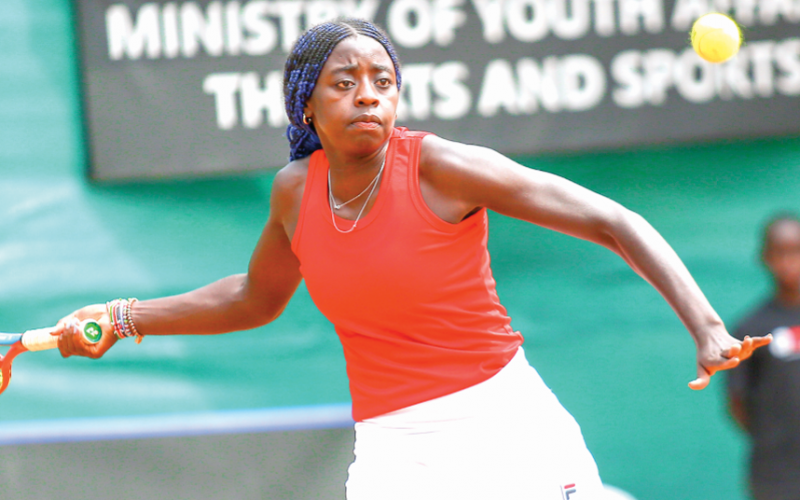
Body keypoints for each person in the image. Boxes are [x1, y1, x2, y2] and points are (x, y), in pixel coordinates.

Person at [53, 18, 770, 500]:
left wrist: (706, 326)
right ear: (307, 105)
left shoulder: (442, 168)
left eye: (383, 80)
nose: (368, 95)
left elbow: (613, 221)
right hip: (394, 447)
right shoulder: (294, 193)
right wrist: (123, 318)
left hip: (503, 423)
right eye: (344, 81)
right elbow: (255, 297)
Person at [727, 214, 800, 500]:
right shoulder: (750, 328)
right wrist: (776, 439)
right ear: (764, 257)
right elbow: (737, 402)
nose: (789, 261)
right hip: (776, 473)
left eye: (796, 250)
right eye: (779, 252)